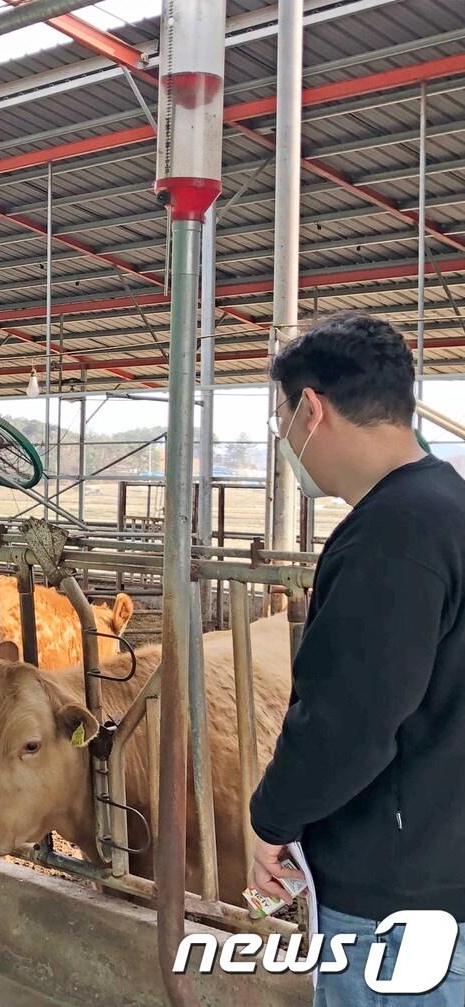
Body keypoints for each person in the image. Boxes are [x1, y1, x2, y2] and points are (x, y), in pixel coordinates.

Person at [248, 312, 465, 1005]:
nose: (288, 442)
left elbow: (350, 721)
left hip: (394, 903)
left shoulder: (391, 535)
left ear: (311, 408)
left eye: (284, 422)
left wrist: (271, 820)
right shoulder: (448, 507)